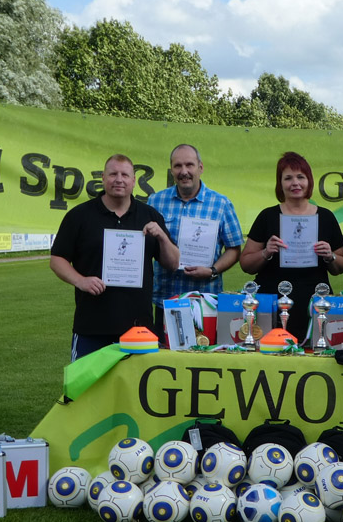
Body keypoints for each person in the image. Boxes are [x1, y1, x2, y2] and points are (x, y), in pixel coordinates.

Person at [50, 154, 179, 360]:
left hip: (139, 328)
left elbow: (173, 263)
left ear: (133, 181)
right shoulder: (79, 216)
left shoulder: (150, 216)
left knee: (136, 391)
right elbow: (57, 259)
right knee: (85, 390)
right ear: (103, 178)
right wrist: (81, 281)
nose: (119, 179)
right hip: (92, 326)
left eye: (125, 175)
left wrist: (162, 236)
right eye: (113, 174)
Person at [239, 152, 343, 343]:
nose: (295, 183)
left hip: (314, 299)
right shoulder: (267, 216)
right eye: (288, 178)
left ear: (309, 181)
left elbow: (342, 265)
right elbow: (246, 263)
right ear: (280, 184)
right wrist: (266, 252)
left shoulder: (326, 217)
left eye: (301, 177)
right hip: (272, 299)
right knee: (271, 351)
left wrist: (329, 256)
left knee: (314, 350)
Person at [148, 144, 243, 339]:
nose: (184, 172)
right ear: (172, 169)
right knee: (166, 362)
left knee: (202, 362)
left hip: (206, 303)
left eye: (189, 165)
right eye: (178, 166)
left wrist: (213, 270)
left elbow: (234, 249)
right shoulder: (155, 201)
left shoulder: (221, 204)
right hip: (165, 300)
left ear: (200, 167)